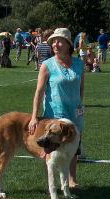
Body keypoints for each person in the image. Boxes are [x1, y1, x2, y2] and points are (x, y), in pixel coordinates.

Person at [29, 28, 84, 188]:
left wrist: (80, 105)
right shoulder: (47, 65)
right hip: (54, 115)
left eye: (60, 41)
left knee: (73, 147)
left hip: (75, 114)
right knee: (51, 151)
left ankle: (72, 180)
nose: (56, 44)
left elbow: (81, 88)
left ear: (68, 44)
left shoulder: (79, 64)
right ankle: (52, 185)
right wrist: (34, 116)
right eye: (53, 41)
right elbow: (39, 92)